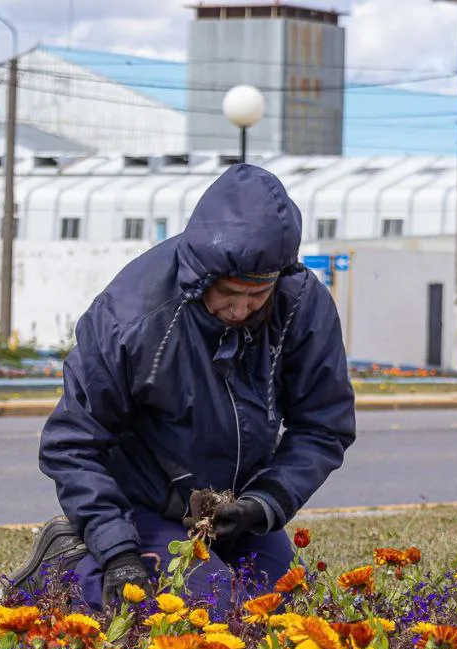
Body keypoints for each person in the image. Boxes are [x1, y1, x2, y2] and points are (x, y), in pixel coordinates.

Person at [18, 163, 356, 613]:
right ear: (202, 274)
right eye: (229, 294)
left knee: (283, 614)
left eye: (257, 296)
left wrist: (261, 506)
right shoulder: (130, 319)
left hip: (232, 510)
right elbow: (71, 445)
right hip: (142, 505)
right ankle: (66, 565)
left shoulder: (302, 305)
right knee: (210, 612)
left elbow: (322, 427)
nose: (240, 310)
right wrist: (118, 550)